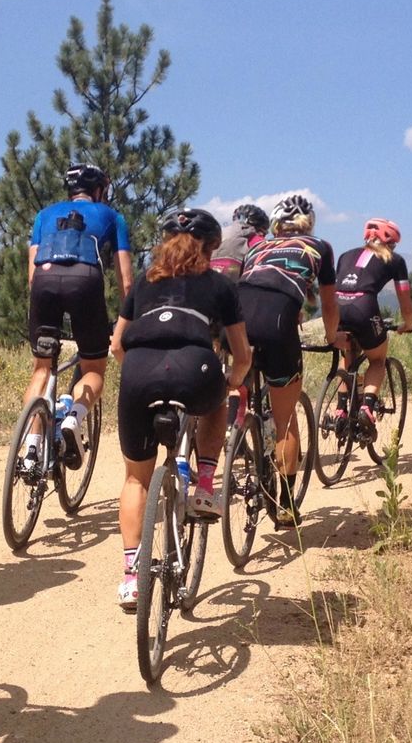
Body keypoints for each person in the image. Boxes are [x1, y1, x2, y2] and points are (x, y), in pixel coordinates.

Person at [110, 208, 251, 612]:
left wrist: (143, 377)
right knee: (218, 398)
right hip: (195, 367)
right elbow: (241, 355)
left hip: (139, 373)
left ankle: (132, 578)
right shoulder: (220, 286)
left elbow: (117, 346)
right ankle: (205, 485)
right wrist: (232, 381)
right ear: (211, 247)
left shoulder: (143, 282)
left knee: (136, 480)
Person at [236, 192, 339, 529]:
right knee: (285, 420)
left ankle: (237, 429)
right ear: (308, 224)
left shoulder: (257, 247)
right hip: (277, 323)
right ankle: (286, 505)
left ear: (276, 224)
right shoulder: (319, 247)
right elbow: (328, 305)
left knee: (243, 377)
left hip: (238, 318)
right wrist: (331, 336)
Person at [23, 163, 133, 469]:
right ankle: (75, 416)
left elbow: (32, 273)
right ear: (98, 191)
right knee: (94, 368)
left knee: (41, 369)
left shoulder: (44, 215)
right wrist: (128, 323)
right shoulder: (111, 216)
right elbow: (125, 280)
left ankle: (31, 448)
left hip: (44, 282)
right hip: (85, 281)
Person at [333, 218, 412, 441]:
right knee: (377, 359)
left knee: (348, 353)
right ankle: (367, 407)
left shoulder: (345, 255)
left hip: (336, 306)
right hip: (364, 307)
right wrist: (409, 324)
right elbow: (404, 299)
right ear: (390, 243)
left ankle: (340, 410)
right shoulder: (395, 260)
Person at [210, 203, 269, 281]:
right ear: (260, 229)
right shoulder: (254, 238)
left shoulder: (219, 233)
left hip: (207, 281)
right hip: (234, 285)